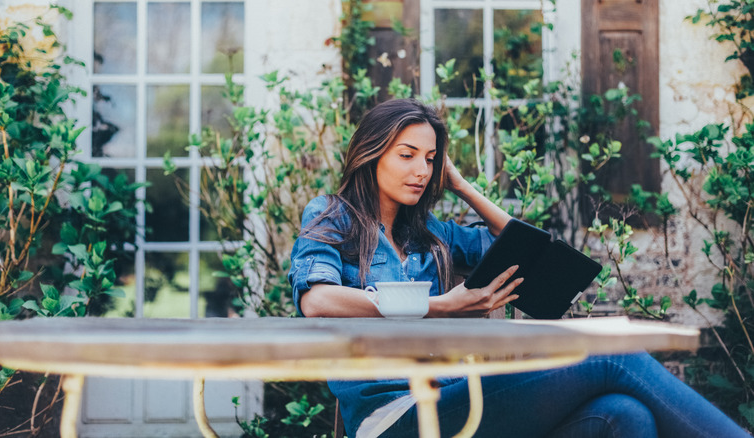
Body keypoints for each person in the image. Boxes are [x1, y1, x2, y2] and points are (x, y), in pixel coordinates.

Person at [288, 98, 750, 438]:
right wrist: (437, 308)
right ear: (372, 154)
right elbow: (318, 299)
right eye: (406, 155)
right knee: (610, 354)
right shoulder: (333, 215)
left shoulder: (429, 233)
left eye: (430, 160)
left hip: (453, 394)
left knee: (626, 416)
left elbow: (538, 255)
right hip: (392, 414)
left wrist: (464, 187)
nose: (421, 171)